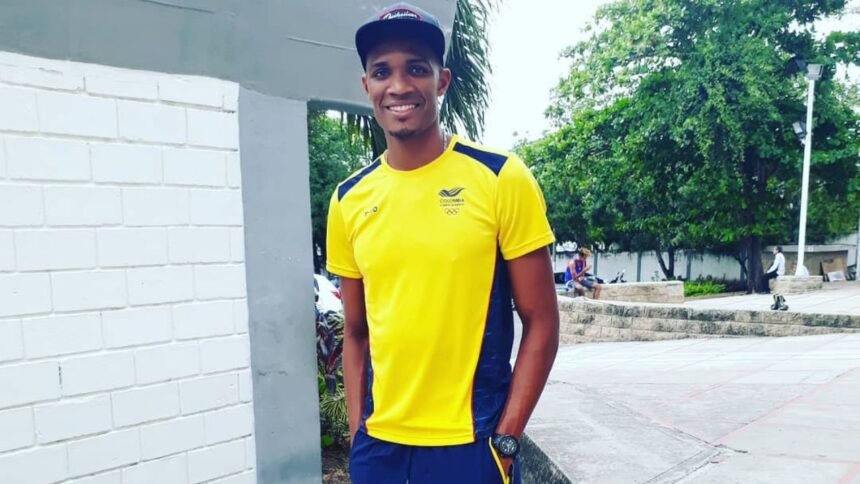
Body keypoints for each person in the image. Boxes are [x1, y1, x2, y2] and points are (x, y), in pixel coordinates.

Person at [326, 4, 560, 483]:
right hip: (379, 451)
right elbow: (356, 331)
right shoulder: (348, 199)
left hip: (471, 446)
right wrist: (357, 435)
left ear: (442, 81)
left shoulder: (499, 178)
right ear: (366, 86)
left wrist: (506, 440)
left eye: (416, 68)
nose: (398, 85)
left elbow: (542, 321)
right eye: (382, 71)